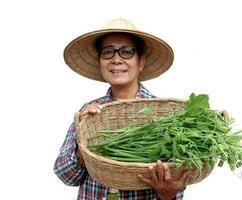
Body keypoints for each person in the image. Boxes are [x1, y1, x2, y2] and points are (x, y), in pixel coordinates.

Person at [54, 18, 191, 200]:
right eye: (108, 52)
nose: (116, 59)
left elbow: (176, 184)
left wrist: (168, 195)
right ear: (100, 62)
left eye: (126, 52)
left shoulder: (164, 117)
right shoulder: (89, 112)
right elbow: (66, 176)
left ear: (141, 62)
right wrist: (83, 141)